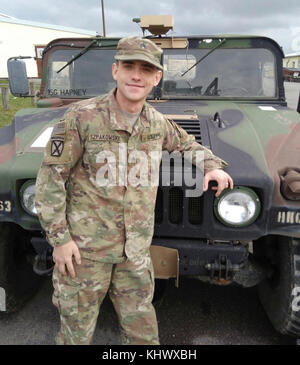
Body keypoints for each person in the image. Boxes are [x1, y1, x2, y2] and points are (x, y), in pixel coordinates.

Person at [35, 36, 233, 345]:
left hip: (135, 254)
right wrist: (59, 240)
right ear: (115, 71)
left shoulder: (156, 123)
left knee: (143, 335)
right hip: (86, 253)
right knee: (75, 333)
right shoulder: (81, 118)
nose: (136, 75)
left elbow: (185, 143)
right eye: (129, 66)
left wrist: (211, 165)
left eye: (146, 69)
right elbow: (50, 180)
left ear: (156, 78)